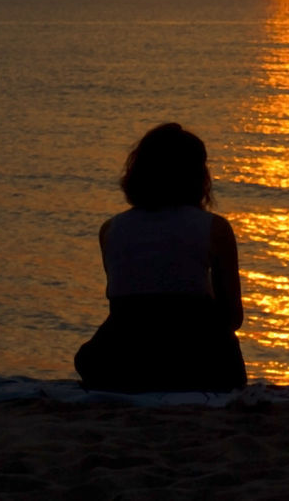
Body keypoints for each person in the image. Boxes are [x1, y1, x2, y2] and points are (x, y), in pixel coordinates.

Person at [74, 123, 247, 392]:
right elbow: (233, 317)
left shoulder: (111, 229)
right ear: (198, 175)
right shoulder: (214, 228)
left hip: (119, 364)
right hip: (197, 365)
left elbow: (127, 298)